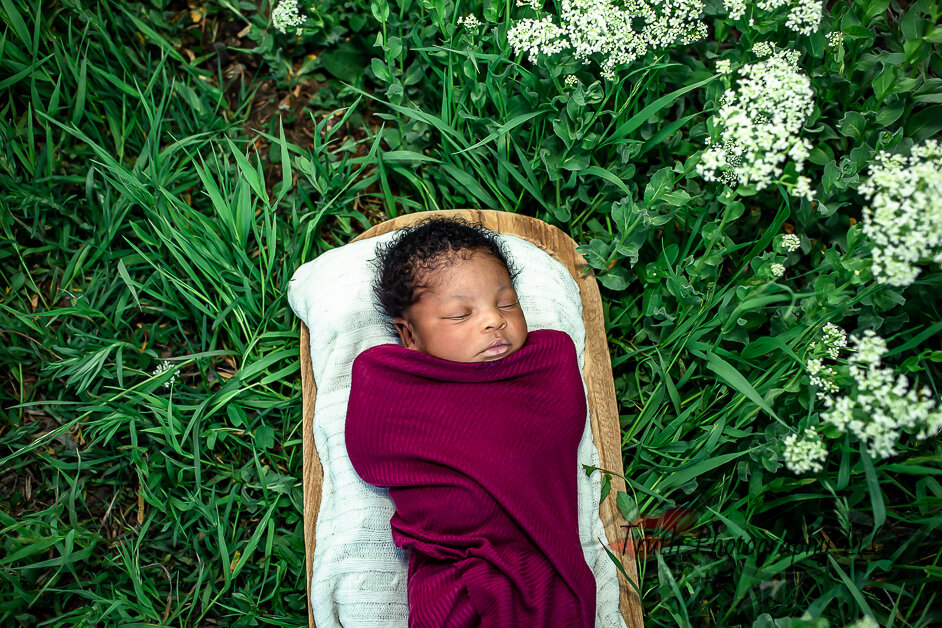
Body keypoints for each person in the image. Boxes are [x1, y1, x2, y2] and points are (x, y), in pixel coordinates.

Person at [345, 217, 597, 627]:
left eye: (506, 303)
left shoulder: (543, 366)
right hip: (453, 569)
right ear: (409, 336)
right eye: (461, 315)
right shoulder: (396, 385)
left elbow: (557, 427)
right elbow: (372, 455)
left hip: (539, 560)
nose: (492, 320)